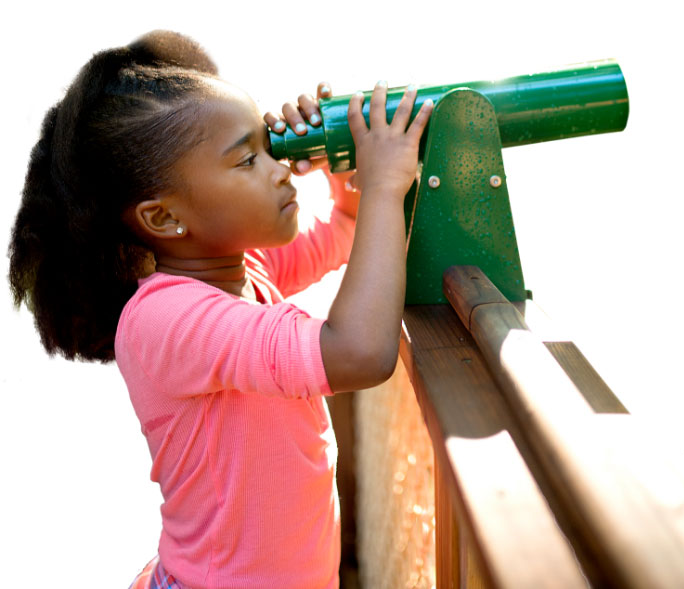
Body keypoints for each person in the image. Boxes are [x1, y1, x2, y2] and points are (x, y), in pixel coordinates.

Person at [7, 30, 433, 589]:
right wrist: (384, 182)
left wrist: (341, 165)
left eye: (269, 147)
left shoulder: (240, 267)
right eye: (247, 160)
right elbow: (358, 352)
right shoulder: (165, 320)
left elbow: (349, 231)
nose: (280, 170)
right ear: (163, 219)